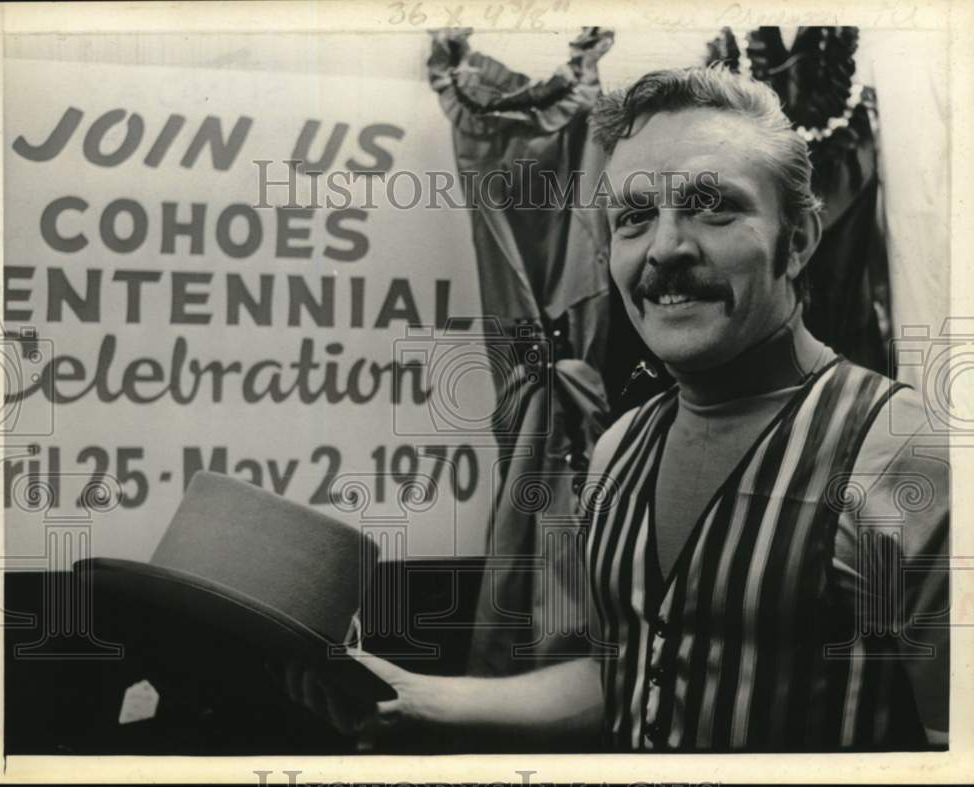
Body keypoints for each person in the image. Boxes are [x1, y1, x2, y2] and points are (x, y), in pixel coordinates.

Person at [281, 65, 949, 752]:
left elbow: (953, 749)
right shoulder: (619, 445)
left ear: (800, 239)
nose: (665, 249)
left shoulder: (898, 449)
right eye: (634, 218)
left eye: (713, 205)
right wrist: (425, 699)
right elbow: (630, 675)